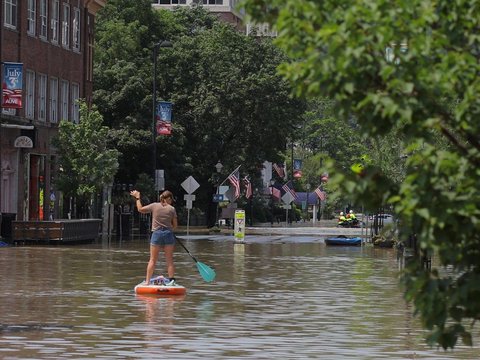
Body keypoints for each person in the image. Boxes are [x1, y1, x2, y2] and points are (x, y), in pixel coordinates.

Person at [130, 189, 178, 286]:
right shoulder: (172, 209)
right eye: (171, 199)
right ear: (168, 198)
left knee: (152, 259)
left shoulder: (154, 206)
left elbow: (140, 209)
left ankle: (147, 282)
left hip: (156, 234)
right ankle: (172, 281)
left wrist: (138, 198)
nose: (171, 201)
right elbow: (175, 226)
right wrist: (169, 229)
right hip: (168, 234)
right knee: (169, 259)